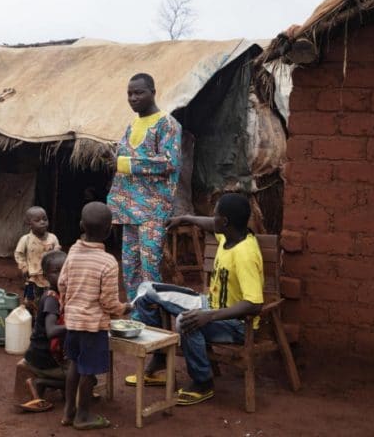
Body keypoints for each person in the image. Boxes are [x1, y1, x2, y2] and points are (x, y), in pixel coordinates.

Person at [133, 193, 264, 405]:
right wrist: (185, 218)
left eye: (216, 215)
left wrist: (209, 316)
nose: (212, 218)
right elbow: (210, 225)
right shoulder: (229, 236)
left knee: (187, 321)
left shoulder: (245, 254)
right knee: (147, 292)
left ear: (225, 222)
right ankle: (160, 359)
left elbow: (254, 304)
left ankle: (203, 382)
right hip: (211, 305)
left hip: (236, 324)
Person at [107, 73, 182, 307]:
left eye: (138, 92)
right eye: (129, 93)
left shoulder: (167, 124)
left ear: (153, 92)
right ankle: (138, 320)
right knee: (130, 269)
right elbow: (121, 156)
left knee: (150, 270)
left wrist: (124, 163)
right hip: (128, 211)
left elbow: (170, 162)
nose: (132, 98)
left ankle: (156, 325)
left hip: (152, 211)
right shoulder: (132, 125)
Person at [58, 202, 131, 430]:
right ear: (109, 231)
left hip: (73, 322)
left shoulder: (73, 251)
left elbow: (62, 283)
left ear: (81, 225)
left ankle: (69, 411)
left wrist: (66, 304)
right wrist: (123, 309)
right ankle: (84, 415)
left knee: (73, 366)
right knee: (88, 372)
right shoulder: (108, 262)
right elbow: (108, 302)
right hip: (93, 325)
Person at [18, 250, 68, 412]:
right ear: (45, 277)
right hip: (43, 360)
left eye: (66, 269)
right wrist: (75, 325)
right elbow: (52, 331)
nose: (62, 275)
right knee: (84, 377)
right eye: (56, 271)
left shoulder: (62, 295)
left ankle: (57, 384)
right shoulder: (51, 299)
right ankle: (40, 382)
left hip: (42, 355)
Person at [14, 206, 60, 314]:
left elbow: (58, 255)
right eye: (37, 220)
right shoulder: (26, 239)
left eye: (45, 219)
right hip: (33, 277)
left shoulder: (52, 238)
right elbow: (19, 254)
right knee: (30, 301)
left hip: (49, 278)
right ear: (29, 224)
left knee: (49, 300)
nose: (42, 222)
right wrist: (24, 267)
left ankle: (46, 319)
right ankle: (31, 321)